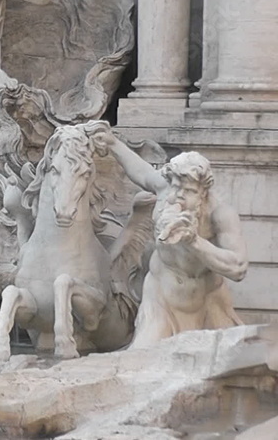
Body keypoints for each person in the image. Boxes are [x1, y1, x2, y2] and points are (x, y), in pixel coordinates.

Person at [91, 128, 249, 348]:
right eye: (176, 187)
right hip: (161, 299)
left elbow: (239, 267)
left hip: (208, 302)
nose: (178, 196)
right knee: (141, 359)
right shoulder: (165, 189)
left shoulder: (220, 214)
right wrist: (112, 143)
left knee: (219, 371)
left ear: (203, 192)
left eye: (189, 191)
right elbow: (141, 171)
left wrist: (194, 241)